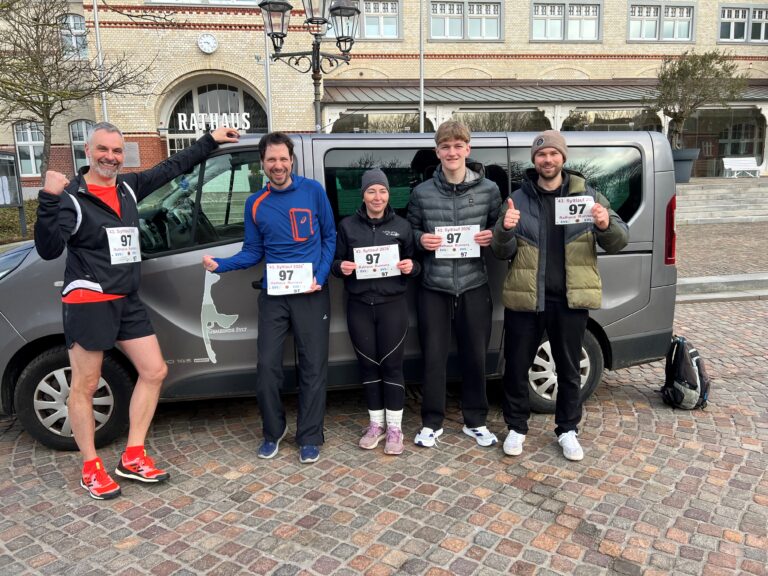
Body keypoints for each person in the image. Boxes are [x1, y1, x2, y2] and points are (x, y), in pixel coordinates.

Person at [34, 122, 240, 500]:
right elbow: (48, 249)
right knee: (86, 384)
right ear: (88, 151)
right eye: (103, 150)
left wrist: (209, 141)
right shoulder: (72, 198)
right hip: (89, 300)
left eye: (116, 151)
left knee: (155, 370)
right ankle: (91, 466)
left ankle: (132, 455)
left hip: (126, 298)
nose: (110, 157)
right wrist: (48, 198)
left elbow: (172, 168)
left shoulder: (127, 187)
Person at [491, 130, 628, 461]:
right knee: (516, 366)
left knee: (568, 368)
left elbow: (619, 239)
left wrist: (605, 222)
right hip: (527, 298)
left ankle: (568, 429)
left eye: (553, 154)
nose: (547, 160)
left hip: (569, 299)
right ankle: (516, 427)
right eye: (541, 155)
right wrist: (505, 228)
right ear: (534, 160)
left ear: (563, 158)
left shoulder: (589, 195)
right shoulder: (517, 199)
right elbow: (499, 250)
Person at [202, 132, 335, 464]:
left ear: (292, 160)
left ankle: (309, 435)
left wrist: (319, 277)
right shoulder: (255, 203)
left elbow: (330, 236)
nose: (278, 165)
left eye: (283, 158)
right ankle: (273, 431)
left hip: (310, 294)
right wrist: (223, 264)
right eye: (271, 160)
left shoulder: (313, 191)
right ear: (262, 163)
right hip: (274, 295)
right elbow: (253, 252)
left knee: (312, 367)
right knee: (267, 368)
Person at [406, 120, 501, 449]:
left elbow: (501, 236)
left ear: (468, 149)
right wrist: (421, 240)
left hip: (474, 284)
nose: (452, 152)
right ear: (437, 152)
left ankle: (476, 421)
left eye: (458, 146)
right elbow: (410, 235)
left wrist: (494, 236)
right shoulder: (421, 193)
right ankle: (432, 422)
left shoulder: (489, 191)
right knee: (433, 357)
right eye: (445, 146)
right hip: (435, 286)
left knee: (475, 356)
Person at [331, 169, 420, 455]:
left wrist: (411, 267)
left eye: (382, 191)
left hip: (392, 305)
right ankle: (376, 425)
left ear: (388, 195)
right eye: (371, 191)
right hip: (359, 305)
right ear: (363, 195)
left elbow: (416, 264)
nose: (377, 197)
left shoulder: (402, 227)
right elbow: (335, 263)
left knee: (392, 365)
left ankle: (395, 428)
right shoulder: (347, 227)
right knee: (368, 366)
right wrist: (340, 268)